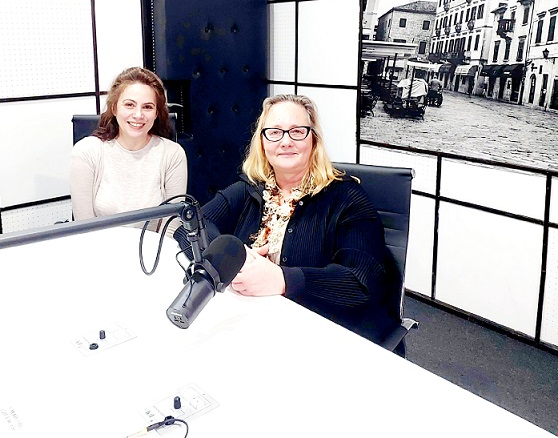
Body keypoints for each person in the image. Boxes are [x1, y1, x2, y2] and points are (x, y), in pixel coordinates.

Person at [179, 94, 398, 346]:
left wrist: (284, 280)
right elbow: (189, 227)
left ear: (313, 140)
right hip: (253, 323)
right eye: (274, 132)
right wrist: (231, 258)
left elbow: (361, 283)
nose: (285, 141)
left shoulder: (348, 198)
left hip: (317, 335)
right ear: (262, 142)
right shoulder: (251, 188)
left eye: (297, 131)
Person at [70, 67, 187, 230]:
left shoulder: (173, 154)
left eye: (147, 107)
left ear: (156, 113)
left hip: (154, 245)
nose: (138, 115)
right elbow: (84, 228)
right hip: (99, 244)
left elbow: (171, 227)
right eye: (129, 105)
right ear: (114, 108)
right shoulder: (86, 152)